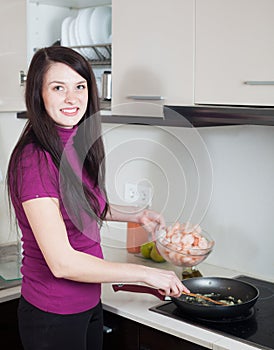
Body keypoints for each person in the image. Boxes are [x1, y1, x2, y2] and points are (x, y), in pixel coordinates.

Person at [7, 46, 189, 350]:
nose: (72, 98)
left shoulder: (74, 143)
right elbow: (62, 263)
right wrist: (147, 275)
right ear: (38, 95)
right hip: (53, 314)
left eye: (80, 86)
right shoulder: (35, 160)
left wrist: (134, 215)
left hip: (87, 303)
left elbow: (77, 204)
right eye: (58, 87)